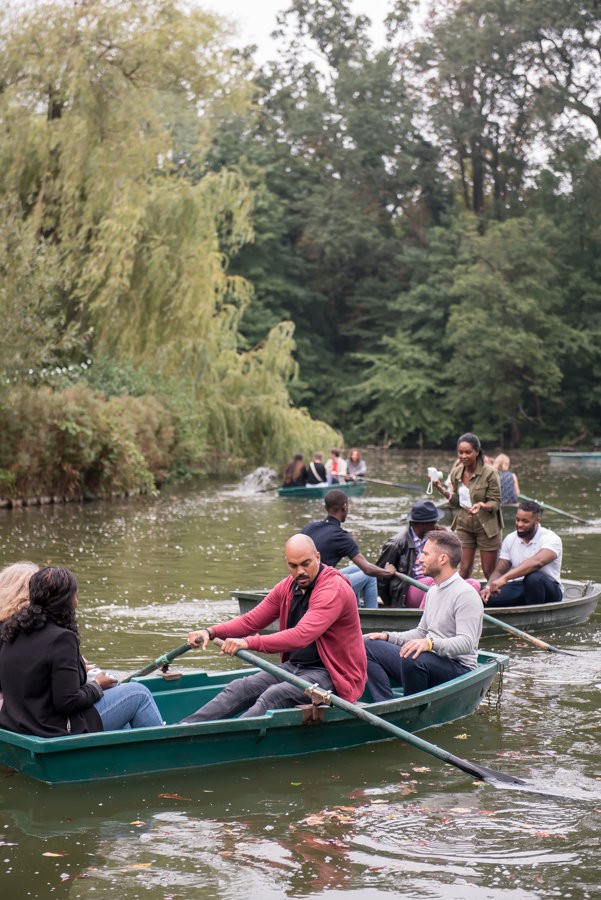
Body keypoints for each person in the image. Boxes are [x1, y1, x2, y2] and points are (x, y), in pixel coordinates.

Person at [180, 534, 366, 722]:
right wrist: (210, 632)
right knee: (239, 688)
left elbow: (301, 636)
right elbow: (250, 621)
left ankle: (230, 741)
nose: (300, 571)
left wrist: (247, 642)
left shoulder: (332, 589)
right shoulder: (286, 587)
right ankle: (183, 730)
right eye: (293, 566)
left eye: (306, 563)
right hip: (295, 667)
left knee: (275, 695)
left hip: (333, 674)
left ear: (318, 557)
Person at [0, 566, 163, 736]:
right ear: (70, 600)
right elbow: (68, 702)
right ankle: (165, 753)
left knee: (121, 701)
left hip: (17, 723)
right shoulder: (62, 638)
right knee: (138, 693)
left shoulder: (12, 630)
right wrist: (97, 685)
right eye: (76, 595)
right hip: (53, 728)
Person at [364, 531, 483, 700]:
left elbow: (466, 643)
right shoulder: (433, 590)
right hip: (427, 660)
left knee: (414, 657)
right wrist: (386, 636)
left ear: (443, 559)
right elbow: (421, 632)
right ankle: (385, 704)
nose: (420, 559)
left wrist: (429, 644)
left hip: (458, 668)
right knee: (367, 644)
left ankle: (412, 705)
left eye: (426, 554)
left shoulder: (465, 594)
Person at [301, 489, 396, 609]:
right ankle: (372, 617)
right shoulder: (341, 537)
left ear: (326, 508)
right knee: (370, 577)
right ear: (345, 507)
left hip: (304, 583)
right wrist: (388, 572)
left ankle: (355, 610)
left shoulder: (310, 527)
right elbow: (367, 569)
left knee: (356, 568)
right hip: (321, 590)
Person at [432, 432, 502, 580]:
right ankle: (461, 600)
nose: (463, 456)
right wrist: (441, 489)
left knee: (489, 571)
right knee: (463, 570)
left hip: (487, 525)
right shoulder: (456, 472)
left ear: (477, 452)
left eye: (468, 452)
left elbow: (495, 503)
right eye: (460, 452)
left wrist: (482, 505)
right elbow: (456, 501)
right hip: (464, 523)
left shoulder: (490, 473)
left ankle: (493, 600)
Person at [481, 500, 563, 607]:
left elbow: (537, 562)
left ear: (537, 520)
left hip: (548, 590)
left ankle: (535, 617)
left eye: (525, 521)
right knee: (486, 600)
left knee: (533, 578)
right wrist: (488, 587)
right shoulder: (510, 538)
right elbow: (500, 569)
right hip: (520, 586)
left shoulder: (551, 538)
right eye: (517, 520)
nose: (519, 524)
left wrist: (504, 578)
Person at [375, 499, 446, 608]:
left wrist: (445, 540)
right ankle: (425, 617)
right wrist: (390, 605)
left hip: (431, 585)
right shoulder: (396, 543)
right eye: (433, 522)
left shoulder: (433, 537)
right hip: (407, 590)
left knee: (471, 583)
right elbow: (380, 578)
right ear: (422, 524)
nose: (435, 525)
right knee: (434, 580)